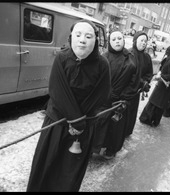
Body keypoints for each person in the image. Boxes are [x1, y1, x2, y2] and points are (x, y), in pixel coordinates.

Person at [27, 19, 111, 192]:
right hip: (57, 121)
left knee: (69, 171)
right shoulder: (62, 58)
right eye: (78, 35)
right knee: (46, 164)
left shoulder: (103, 65)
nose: (82, 40)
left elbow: (100, 95)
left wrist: (80, 122)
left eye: (88, 36)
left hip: (84, 126)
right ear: (71, 37)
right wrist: (75, 120)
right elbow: (58, 91)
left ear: (95, 40)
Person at [93, 30, 138, 159]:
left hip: (120, 100)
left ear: (123, 40)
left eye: (120, 38)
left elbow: (133, 81)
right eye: (114, 39)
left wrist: (124, 97)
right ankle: (94, 148)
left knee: (115, 128)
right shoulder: (103, 57)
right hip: (103, 99)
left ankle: (110, 150)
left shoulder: (130, 57)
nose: (117, 41)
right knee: (99, 124)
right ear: (109, 42)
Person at [139, 43, 170, 127]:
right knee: (155, 102)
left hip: (165, 87)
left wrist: (161, 76)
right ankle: (151, 119)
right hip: (163, 85)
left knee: (157, 103)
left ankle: (150, 119)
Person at [124, 31, 153, 137]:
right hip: (126, 90)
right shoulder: (128, 54)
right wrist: (141, 82)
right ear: (135, 41)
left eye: (145, 41)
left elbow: (149, 73)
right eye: (141, 40)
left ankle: (127, 132)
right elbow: (128, 74)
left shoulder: (147, 57)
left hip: (137, 91)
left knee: (132, 112)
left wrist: (145, 82)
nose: (144, 43)